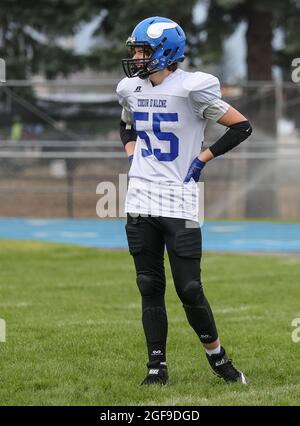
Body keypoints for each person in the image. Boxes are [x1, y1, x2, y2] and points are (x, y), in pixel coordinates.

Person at [116, 16, 252, 386]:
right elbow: (126, 125)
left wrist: (202, 158)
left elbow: (241, 126)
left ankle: (218, 358)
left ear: (165, 53)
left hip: (180, 200)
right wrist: (133, 156)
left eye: (143, 50)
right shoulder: (129, 88)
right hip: (141, 196)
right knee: (148, 284)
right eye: (136, 50)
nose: (137, 58)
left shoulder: (194, 87)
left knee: (189, 287)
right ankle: (156, 367)